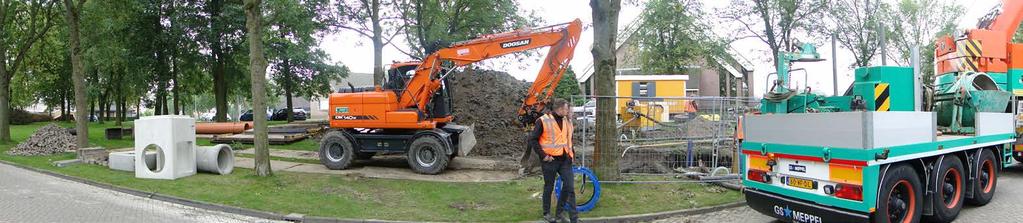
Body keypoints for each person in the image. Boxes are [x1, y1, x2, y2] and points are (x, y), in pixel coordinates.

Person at [529, 98, 577, 223]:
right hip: (549, 160)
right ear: (560, 108)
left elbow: (568, 139)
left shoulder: (567, 120)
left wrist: (571, 155)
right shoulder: (543, 121)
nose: (568, 111)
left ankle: (562, 214)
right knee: (549, 186)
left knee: (569, 186)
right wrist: (543, 156)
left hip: (565, 160)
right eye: (567, 109)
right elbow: (533, 139)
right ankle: (547, 213)